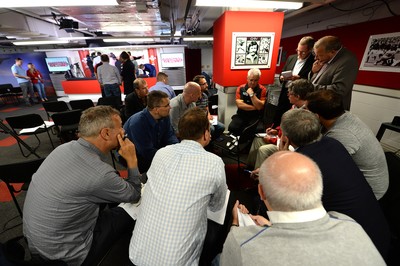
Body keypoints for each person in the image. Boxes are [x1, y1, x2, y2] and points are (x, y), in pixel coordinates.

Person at [220, 151, 386, 266]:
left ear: (261, 192)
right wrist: (269, 226)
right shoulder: (351, 224)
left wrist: (235, 223)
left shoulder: (241, 241)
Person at [23, 106, 142, 265]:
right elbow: (134, 195)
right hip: (68, 255)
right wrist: (132, 160)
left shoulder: (62, 148)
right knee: (130, 208)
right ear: (106, 133)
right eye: (120, 126)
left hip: (38, 245)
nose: (124, 131)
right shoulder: (100, 173)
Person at [279, 109, 391, 259]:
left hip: (356, 250)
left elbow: (282, 205)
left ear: (286, 139)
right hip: (379, 235)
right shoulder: (333, 143)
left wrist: (282, 157)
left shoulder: (299, 166)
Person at [129, 107, 228, 265]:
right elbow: (217, 206)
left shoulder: (161, 153)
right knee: (223, 217)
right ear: (206, 133)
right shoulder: (214, 162)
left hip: (137, 254)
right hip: (177, 262)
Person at [306, 90, 389, 199]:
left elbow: (324, 168)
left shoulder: (342, 135)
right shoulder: (344, 116)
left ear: (316, 116)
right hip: (361, 179)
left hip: (369, 192)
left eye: (306, 111)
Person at [247, 79, 314, 169]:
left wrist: (272, 140)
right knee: (257, 139)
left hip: (292, 147)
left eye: (290, 93)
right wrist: (276, 130)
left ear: (297, 96)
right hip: (282, 139)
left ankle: (260, 178)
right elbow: (285, 127)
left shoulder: (304, 115)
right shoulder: (295, 107)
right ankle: (250, 168)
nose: (287, 95)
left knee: (263, 150)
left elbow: (292, 140)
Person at [124, 90, 178, 173]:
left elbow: (170, 136)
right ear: (156, 109)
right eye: (167, 105)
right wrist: (169, 157)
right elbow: (146, 152)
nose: (170, 107)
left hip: (155, 151)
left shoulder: (165, 116)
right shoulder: (137, 123)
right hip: (137, 157)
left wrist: (177, 149)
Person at [273, 36, 315, 125]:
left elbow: (312, 81)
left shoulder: (313, 62)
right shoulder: (291, 58)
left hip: (299, 95)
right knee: (280, 114)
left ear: (310, 50)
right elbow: (282, 72)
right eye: (298, 50)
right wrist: (281, 77)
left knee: (293, 118)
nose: (299, 54)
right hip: (285, 91)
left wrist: (299, 79)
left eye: (302, 52)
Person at [310, 36, 359, 110]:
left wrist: (309, 87)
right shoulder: (325, 58)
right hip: (316, 105)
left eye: (319, 55)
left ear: (332, 52)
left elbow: (339, 90)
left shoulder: (348, 61)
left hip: (329, 110)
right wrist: (313, 72)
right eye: (315, 54)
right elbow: (316, 80)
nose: (315, 58)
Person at [228, 68, 267, 136]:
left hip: (255, 116)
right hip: (241, 115)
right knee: (232, 127)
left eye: (255, 80)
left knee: (259, 130)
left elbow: (260, 107)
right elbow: (240, 105)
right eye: (251, 80)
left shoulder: (262, 89)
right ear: (247, 78)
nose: (253, 82)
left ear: (258, 79)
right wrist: (256, 107)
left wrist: (252, 95)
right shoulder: (241, 88)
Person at [193, 74, 225, 140]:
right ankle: (208, 143)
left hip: (206, 118)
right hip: (199, 120)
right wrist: (206, 119)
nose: (207, 85)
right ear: (198, 85)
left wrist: (209, 115)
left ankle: (212, 140)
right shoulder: (194, 98)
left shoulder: (205, 95)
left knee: (222, 127)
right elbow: (194, 114)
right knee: (212, 129)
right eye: (204, 84)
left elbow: (206, 107)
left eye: (206, 83)